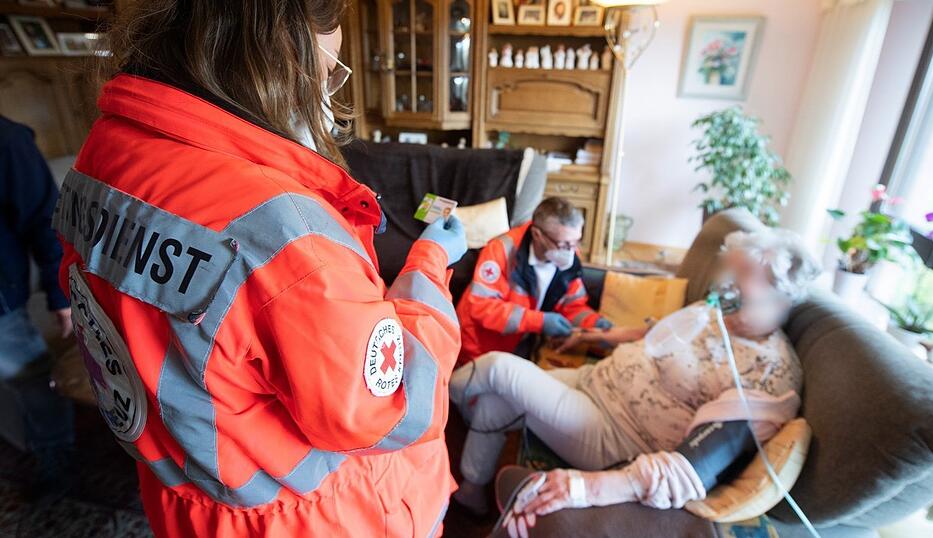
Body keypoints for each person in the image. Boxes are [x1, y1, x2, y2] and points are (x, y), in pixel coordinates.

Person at [53, 2, 466, 536]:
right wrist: (429, 263)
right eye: (328, 69)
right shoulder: (281, 231)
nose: (326, 92)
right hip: (318, 519)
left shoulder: (102, 153)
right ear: (279, 55)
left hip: (182, 503)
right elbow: (395, 404)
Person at [450, 229, 820, 516]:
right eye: (732, 267)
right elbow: (655, 333)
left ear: (780, 295)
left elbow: (691, 469)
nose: (726, 280)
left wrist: (586, 489)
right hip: (595, 383)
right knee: (497, 400)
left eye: (743, 273)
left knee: (500, 370)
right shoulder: (715, 313)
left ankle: (434, 396)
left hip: (614, 434)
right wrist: (588, 335)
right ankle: (472, 493)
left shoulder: (767, 373)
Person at [0, 115, 75, 501]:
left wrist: (59, 295)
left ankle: (57, 458)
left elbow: (46, 222)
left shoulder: (9, 140)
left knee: (31, 381)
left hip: (3, 301)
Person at [456, 197, 611, 364]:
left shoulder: (569, 255)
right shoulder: (501, 250)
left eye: (576, 242)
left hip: (520, 344)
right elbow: (480, 307)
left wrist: (594, 322)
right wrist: (539, 321)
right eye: (564, 244)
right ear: (537, 235)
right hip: (479, 347)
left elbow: (572, 304)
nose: (572, 251)